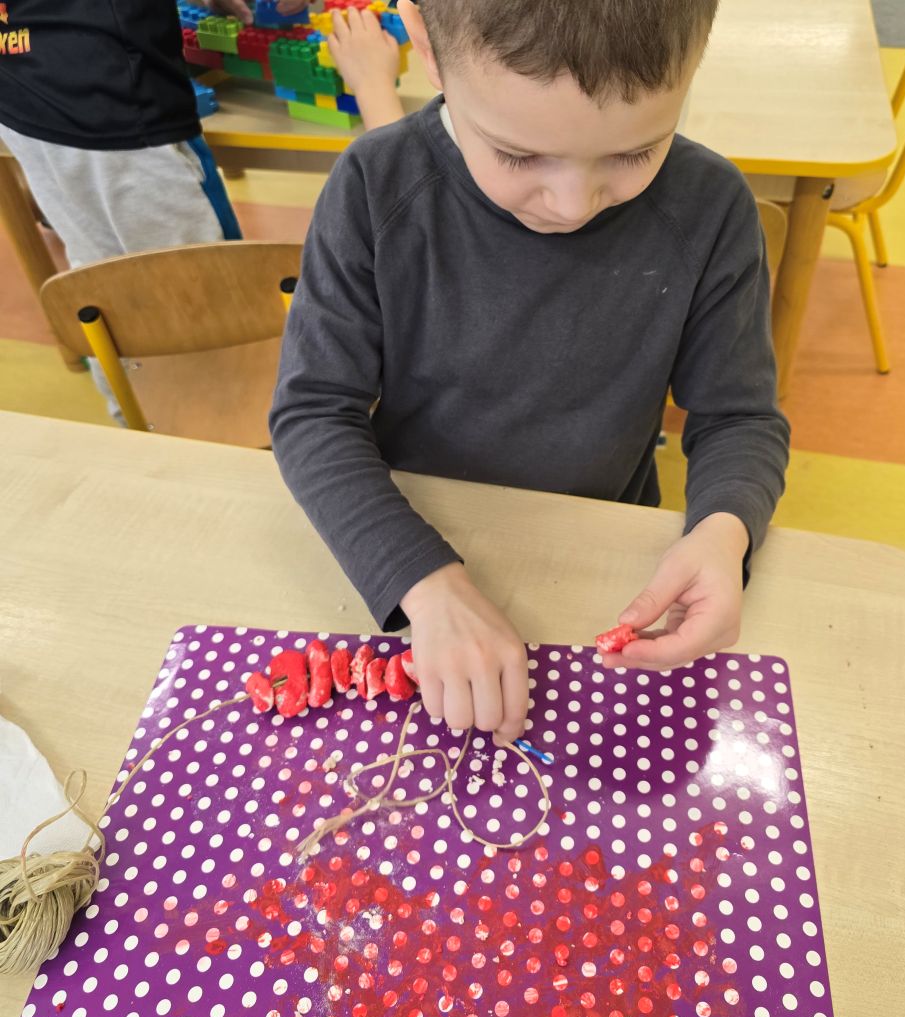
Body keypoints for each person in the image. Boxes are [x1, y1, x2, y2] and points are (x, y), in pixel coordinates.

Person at [271, 0, 790, 746]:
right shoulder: (374, 187)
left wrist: (723, 530)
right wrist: (425, 583)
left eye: (635, 153)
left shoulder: (711, 210)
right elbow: (314, 413)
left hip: (601, 555)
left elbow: (739, 416)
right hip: (402, 537)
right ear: (425, 45)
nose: (573, 205)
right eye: (517, 156)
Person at [0, 0, 302, 420]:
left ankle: (137, 414)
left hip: (24, 75)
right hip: (116, 101)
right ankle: (245, 423)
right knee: (204, 287)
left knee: (97, 271)